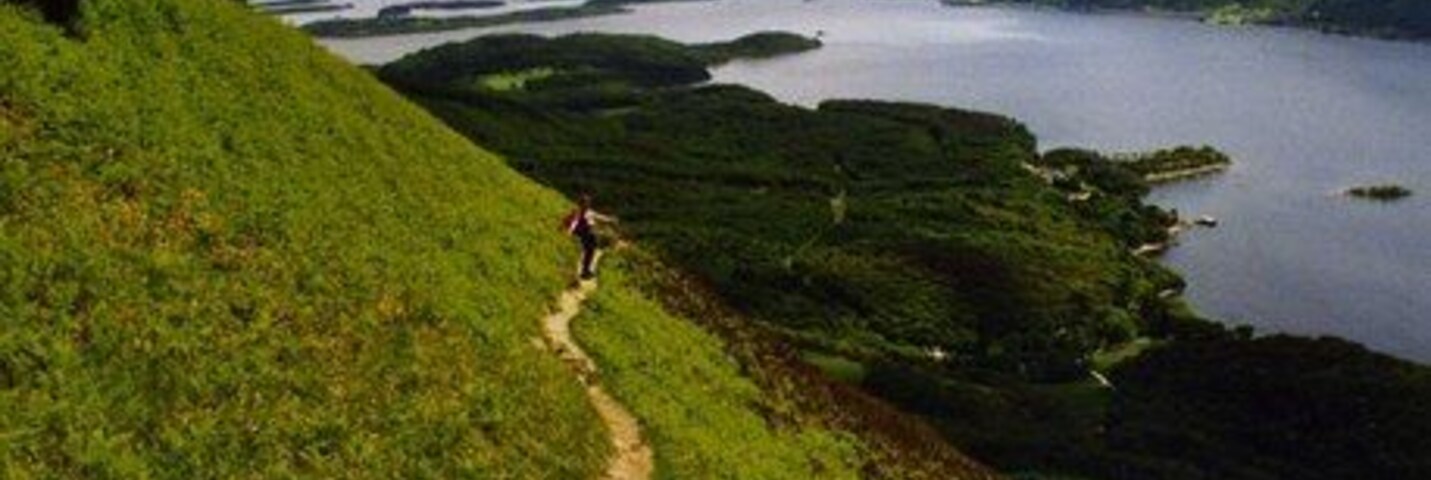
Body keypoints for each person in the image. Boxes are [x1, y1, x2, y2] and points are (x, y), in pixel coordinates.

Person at [561, 194, 615, 280]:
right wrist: (569, 231)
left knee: (590, 252)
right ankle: (584, 271)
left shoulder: (589, 212)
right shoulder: (578, 213)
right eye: (584, 203)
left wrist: (609, 220)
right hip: (585, 235)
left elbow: (599, 217)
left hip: (590, 236)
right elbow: (574, 222)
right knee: (587, 252)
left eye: (587, 203)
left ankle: (586, 271)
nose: (586, 205)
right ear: (581, 204)